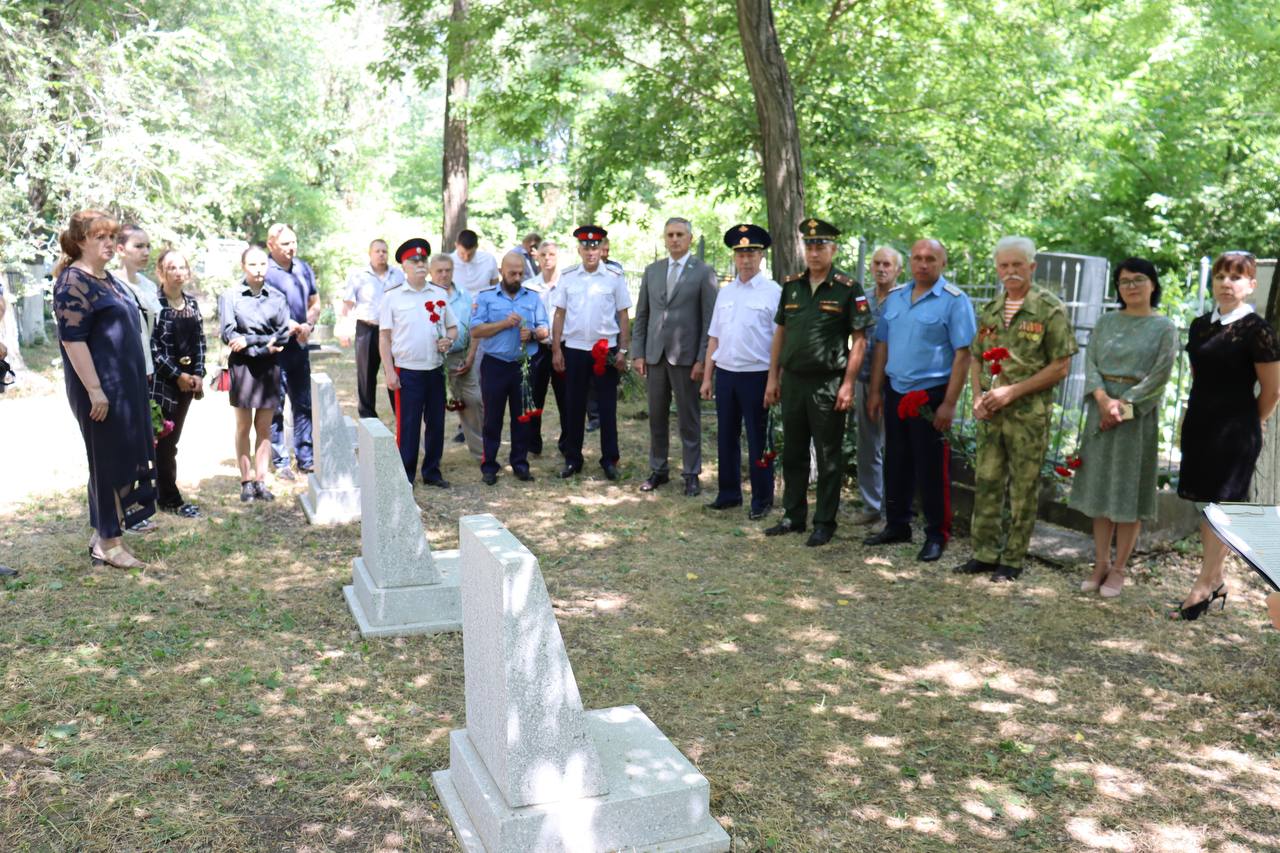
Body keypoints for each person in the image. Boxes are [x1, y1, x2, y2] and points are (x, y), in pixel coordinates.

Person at [960, 237, 1076, 582]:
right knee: (987, 481)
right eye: (1004, 266)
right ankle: (983, 553)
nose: (1010, 272)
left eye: (1017, 265)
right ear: (997, 269)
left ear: (1031, 267)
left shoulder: (1049, 309)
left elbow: (1060, 367)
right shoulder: (992, 309)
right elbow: (976, 357)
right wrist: (978, 397)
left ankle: (1012, 559)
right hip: (991, 414)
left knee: (1023, 488)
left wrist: (1012, 391)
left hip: (1027, 414)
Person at [1172, 251, 1280, 620]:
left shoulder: (1258, 330)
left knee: (1224, 508)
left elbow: (1272, 390)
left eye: (1236, 277)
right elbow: (1202, 377)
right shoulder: (1200, 325)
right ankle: (1215, 579)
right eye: (1220, 276)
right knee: (1207, 505)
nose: (1226, 283)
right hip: (1201, 425)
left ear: (1251, 284)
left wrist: (1256, 422)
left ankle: (1203, 586)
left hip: (1236, 431)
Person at [1069, 258, 1179, 597]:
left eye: (1138, 279)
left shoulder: (1165, 328)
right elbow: (1092, 365)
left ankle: (1119, 569)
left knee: (1129, 494)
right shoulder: (1106, 322)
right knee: (1101, 490)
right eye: (1124, 281)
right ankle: (1100, 562)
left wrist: (1123, 407)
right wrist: (1104, 401)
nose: (1131, 286)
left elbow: (1160, 375)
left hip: (1136, 420)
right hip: (1102, 412)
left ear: (1153, 284)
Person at [53, 209, 156, 569]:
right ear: (81, 241)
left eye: (112, 237)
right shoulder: (72, 282)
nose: (109, 243)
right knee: (110, 461)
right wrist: (96, 390)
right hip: (100, 389)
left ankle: (102, 533)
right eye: (101, 237)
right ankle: (110, 544)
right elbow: (73, 341)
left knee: (117, 457)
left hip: (124, 386)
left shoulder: (108, 279)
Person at [763, 218, 872, 547]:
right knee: (793, 452)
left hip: (828, 383)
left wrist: (849, 383)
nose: (814, 252)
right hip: (793, 381)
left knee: (828, 456)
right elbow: (780, 333)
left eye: (820, 245)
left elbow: (860, 340)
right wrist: (773, 378)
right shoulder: (792, 285)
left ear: (833, 249)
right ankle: (793, 516)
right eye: (809, 245)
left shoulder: (847, 287)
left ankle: (825, 521)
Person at [866, 238, 976, 561]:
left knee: (931, 468)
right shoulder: (896, 299)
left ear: (942, 263)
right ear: (910, 263)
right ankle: (897, 525)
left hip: (931, 395)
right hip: (895, 389)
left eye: (930, 258)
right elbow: (882, 347)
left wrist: (950, 404)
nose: (923, 264)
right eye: (917, 258)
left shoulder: (955, 301)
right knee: (896, 461)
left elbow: (963, 355)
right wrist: (875, 390)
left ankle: (936, 535)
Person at [633, 217, 717, 496]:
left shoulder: (703, 272)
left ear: (690, 238)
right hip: (655, 356)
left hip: (686, 358)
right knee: (657, 416)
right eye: (670, 235)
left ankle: (691, 473)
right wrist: (638, 353)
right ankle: (658, 470)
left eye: (680, 234)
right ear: (664, 238)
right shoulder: (653, 271)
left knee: (688, 418)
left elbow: (710, 320)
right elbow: (643, 314)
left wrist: (702, 358)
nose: (674, 239)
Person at [701, 224, 781, 519]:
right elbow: (714, 337)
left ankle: (762, 498)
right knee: (726, 436)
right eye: (740, 254)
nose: (746, 260)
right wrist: (708, 376)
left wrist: (775, 379)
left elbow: (779, 341)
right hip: (727, 374)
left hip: (757, 375)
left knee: (759, 440)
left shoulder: (774, 293)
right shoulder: (726, 293)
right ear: (735, 257)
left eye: (752, 253)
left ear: (761, 256)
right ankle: (729, 492)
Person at [550, 225, 631, 479]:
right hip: (574, 349)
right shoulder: (568, 277)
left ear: (602, 248)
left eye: (595, 246)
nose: (590, 251)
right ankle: (573, 459)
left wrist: (624, 350)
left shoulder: (614, 277)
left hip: (605, 349)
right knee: (573, 406)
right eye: (585, 246)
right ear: (579, 249)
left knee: (607, 407)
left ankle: (609, 460)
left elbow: (623, 315)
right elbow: (560, 313)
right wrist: (556, 349)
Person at [380, 238, 458, 486]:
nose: (420, 264)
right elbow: (384, 338)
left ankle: (432, 472)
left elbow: (453, 328)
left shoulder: (438, 293)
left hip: (434, 369)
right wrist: (389, 372)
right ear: (404, 266)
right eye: (414, 261)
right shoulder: (392, 297)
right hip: (408, 371)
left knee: (436, 423)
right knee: (409, 427)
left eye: (423, 260)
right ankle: (405, 477)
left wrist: (448, 340)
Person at [220, 246, 295, 503]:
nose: (259, 269)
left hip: (269, 367)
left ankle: (261, 481)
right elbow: (229, 333)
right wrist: (264, 343)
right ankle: (246, 482)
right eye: (253, 264)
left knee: (264, 427)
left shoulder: (277, 297)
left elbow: (283, 333)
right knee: (243, 426)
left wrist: (251, 340)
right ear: (243, 266)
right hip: (242, 367)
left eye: (263, 264)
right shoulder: (230, 296)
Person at [470, 252, 550, 484]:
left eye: (520, 274)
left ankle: (520, 463)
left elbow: (545, 329)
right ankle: (489, 466)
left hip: (524, 366)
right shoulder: (485, 297)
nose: (516, 277)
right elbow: (475, 330)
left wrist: (533, 333)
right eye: (512, 273)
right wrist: (504, 324)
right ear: (501, 272)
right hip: (495, 364)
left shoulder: (533, 298)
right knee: (492, 418)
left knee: (522, 417)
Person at [150, 249, 207, 518]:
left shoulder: (192, 304)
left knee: (171, 443)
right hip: (163, 384)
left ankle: (164, 493)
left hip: (188, 384)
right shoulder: (153, 304)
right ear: (160, 272)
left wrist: (197, 374)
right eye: (171, 267)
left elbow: (200, 342)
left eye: (182, 267)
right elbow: (153, 348)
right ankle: (168, 498)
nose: (178, 272)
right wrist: (177, 376)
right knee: (161, 443)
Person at [849, 246, 901, 526]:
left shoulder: (905, 299)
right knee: (867, 445)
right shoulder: (862, 298)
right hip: (864, 379)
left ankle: (895, 506)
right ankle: (871, 506)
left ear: (897, 270)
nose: (881, 269)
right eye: (877, 263)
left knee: (895, 445)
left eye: (887, 265)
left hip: (895, 384)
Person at [264, 223, 319, 477]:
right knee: (276, 405)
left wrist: (309, 322)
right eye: (285, 243)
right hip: (274, 349)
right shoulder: (263, 269)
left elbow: (314, 301)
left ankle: (305, 457)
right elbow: (253, 306)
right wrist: (284, 323)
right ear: (271, 245)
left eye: (294, 242)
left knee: (304, 403)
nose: (291, 247)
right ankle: (280, 461)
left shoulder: (303, 268)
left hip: (300, 346)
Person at [343, 238, 405, 419]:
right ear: (370, 254)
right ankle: (368, 418)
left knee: (395, 373)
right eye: (377, 251)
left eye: (384, 251)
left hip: (393, 331)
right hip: (367, 329)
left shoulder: (398, 274)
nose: (381, 254)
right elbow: (348, 304)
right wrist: (344, 329)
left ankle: (401, 415)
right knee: (366, 375)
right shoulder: (358, 275)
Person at [430, 253, 484, 460]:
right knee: (432, 409)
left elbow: (475, 328)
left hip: (461, 358)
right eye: (439, 271)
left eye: (448, 270)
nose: (444, 275)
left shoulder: (464, 295)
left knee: (474, 400)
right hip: (434, 361)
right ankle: (429, 458)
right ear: (431, 272)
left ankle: (481, 454)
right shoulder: (425, 296)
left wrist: (471, 356)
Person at [523, 240, 566, 456]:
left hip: (563, 347)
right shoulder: (529, 286)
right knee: (534, 397)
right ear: (536, 257)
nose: (547, 258)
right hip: (537, 348)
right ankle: (533, 443)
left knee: (566, 398)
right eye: (543, 255)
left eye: (551, 254)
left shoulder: (568, 283)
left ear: (558, 256)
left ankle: (567, 443)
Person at [450, 229, 500, 295]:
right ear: (456, 245)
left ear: (476, 246)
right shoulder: (447, 262)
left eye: (470, 254)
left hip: (483, 302)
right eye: (462, 253)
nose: (466, 258)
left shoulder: (489, 259)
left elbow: (495, 286)